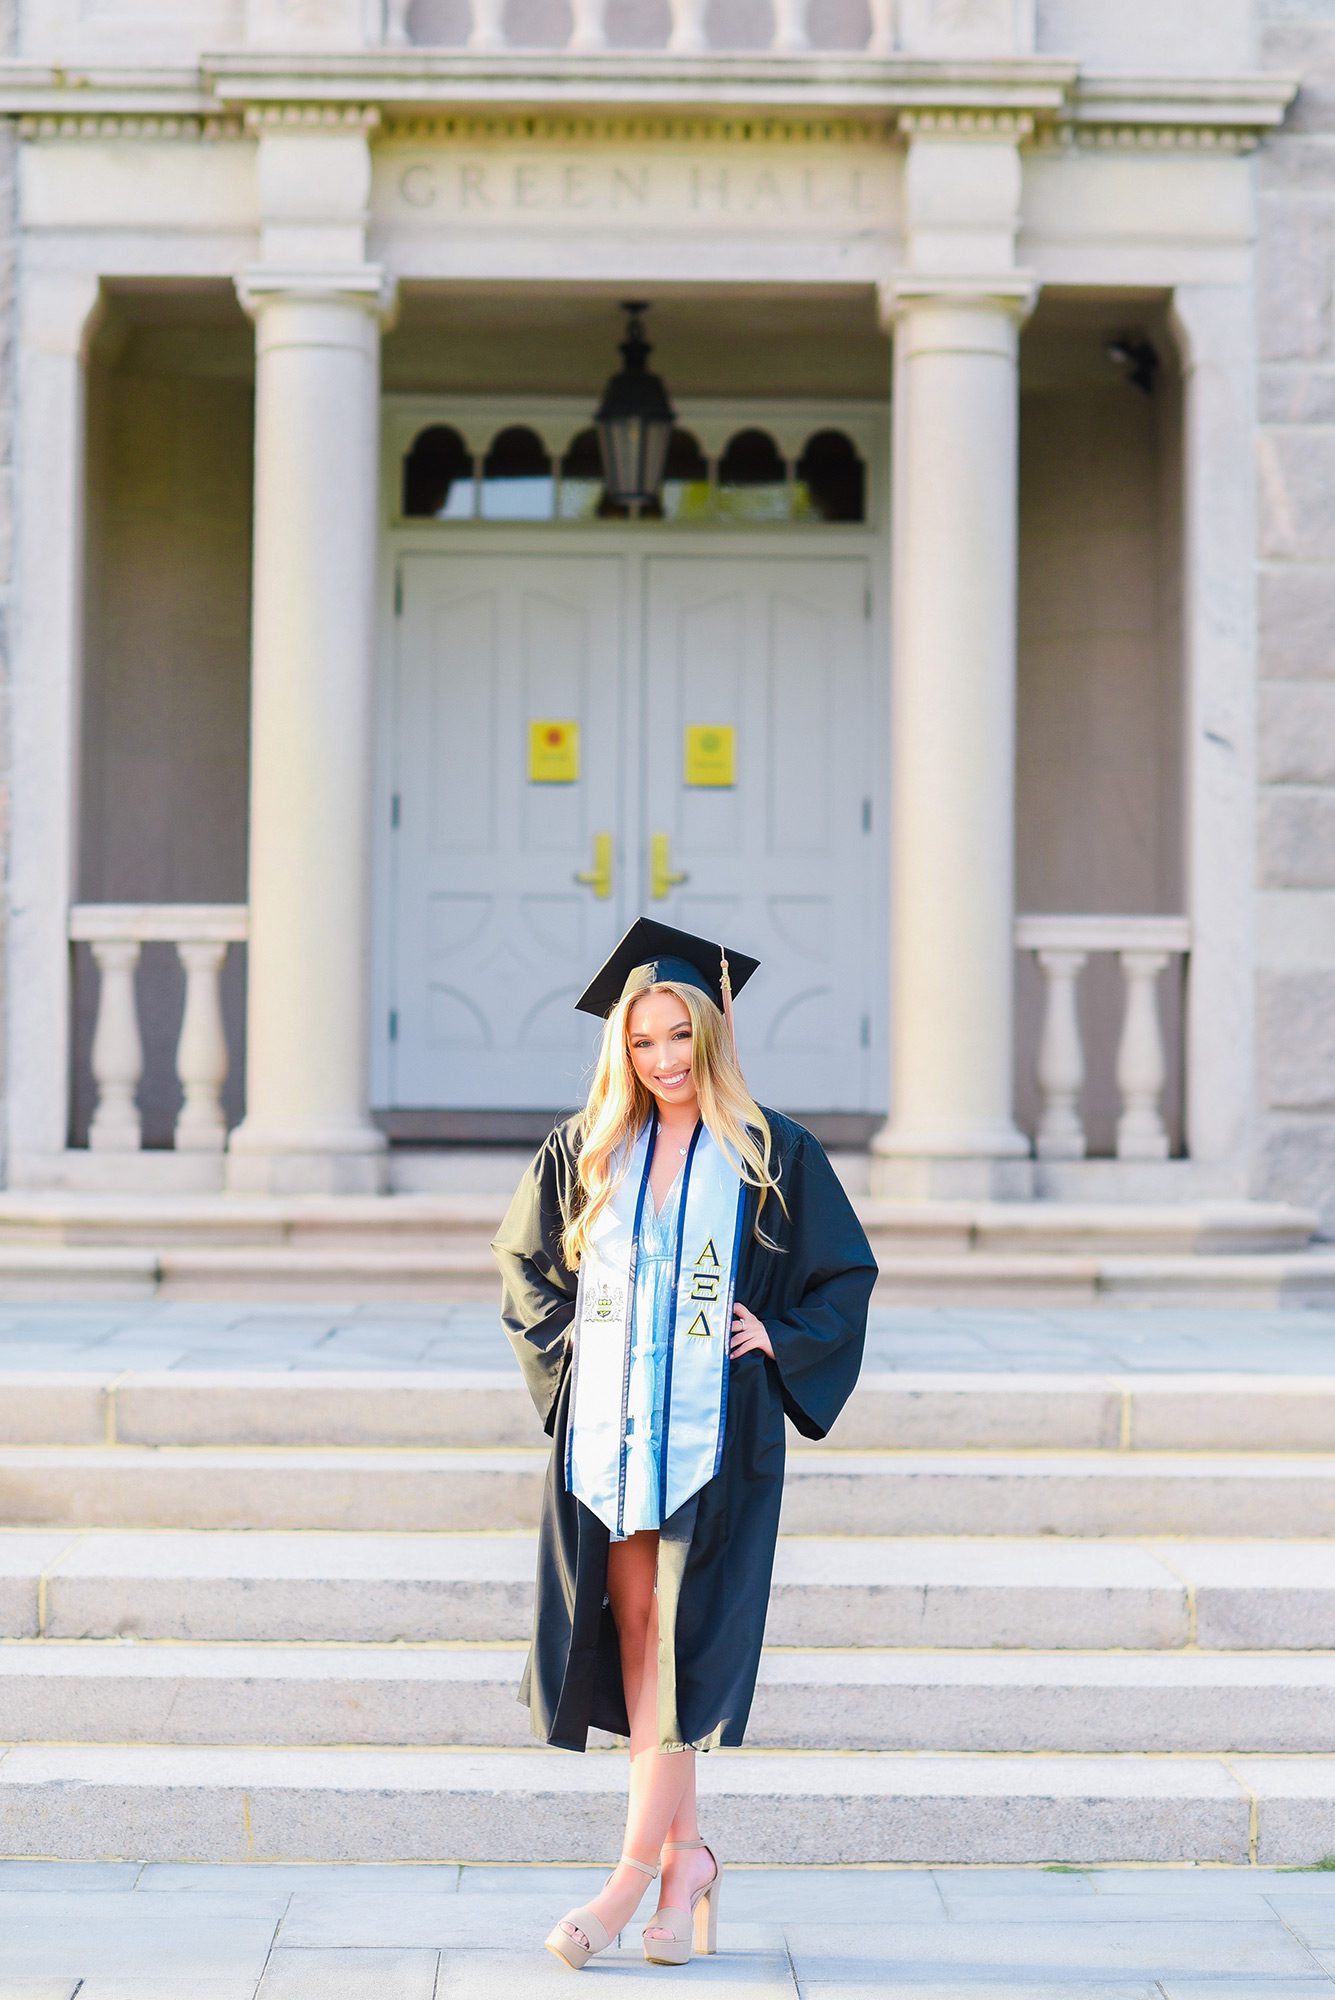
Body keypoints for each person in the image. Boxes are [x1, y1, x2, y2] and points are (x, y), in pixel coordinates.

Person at [491, 916, 877, 1971]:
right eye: (642, 1040)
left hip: (713, 1438)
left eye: (678, 1036)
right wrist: (575, 1347)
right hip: (610, 1438)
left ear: (711, 1036)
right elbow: (525, 1268)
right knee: (636, 1638)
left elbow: (843, 1274)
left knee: (669, 1640)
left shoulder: (769, 1152)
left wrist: (781, 1336)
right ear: (619, 1046)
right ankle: (687, 1860)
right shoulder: (586, 1149)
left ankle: (625, 1882)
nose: (662, 1059)